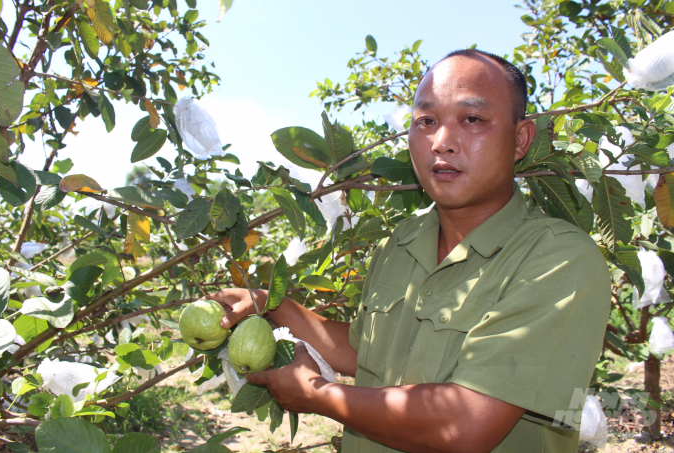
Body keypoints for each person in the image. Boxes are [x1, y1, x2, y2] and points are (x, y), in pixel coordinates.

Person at [203, 49, 611, 452]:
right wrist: (273, 306)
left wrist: (318, 396)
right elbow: (364, 350)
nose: (442, 142)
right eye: (426, 121)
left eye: (472, 119)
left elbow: (464, 424)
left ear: (520, 139)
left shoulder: (560, 260)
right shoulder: (398, 242)